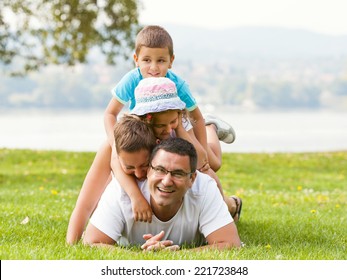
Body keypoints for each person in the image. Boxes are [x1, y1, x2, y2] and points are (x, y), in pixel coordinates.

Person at [104, 25, 235, 173]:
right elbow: (110, 113)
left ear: (171, 61)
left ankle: (211, 127)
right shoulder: (132, 80)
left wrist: (202, 147)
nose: (153, 68)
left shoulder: (178, 84)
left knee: (213, 165)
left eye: (160, 60)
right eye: (146, 60)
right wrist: (114, 144)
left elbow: (196, 117)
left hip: (172, 127)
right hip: (147, 128)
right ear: (136, 59)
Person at [83, 138, 242, 250]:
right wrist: (143, 259)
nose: (166, 181)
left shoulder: (204, 187)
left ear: (192, 178)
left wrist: (174, 255)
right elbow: (91, 243)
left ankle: (210, 128)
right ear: (148, 171)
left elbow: (230, 244)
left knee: (227, 208)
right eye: (160, 170)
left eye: (178, 173)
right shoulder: (121, 190)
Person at [66, 114, 157, 244]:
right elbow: (85, 204)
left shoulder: (161, 147)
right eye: (129, 167)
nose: (138, 174)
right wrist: (71, 244)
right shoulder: (110, 149)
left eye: (144, 165)